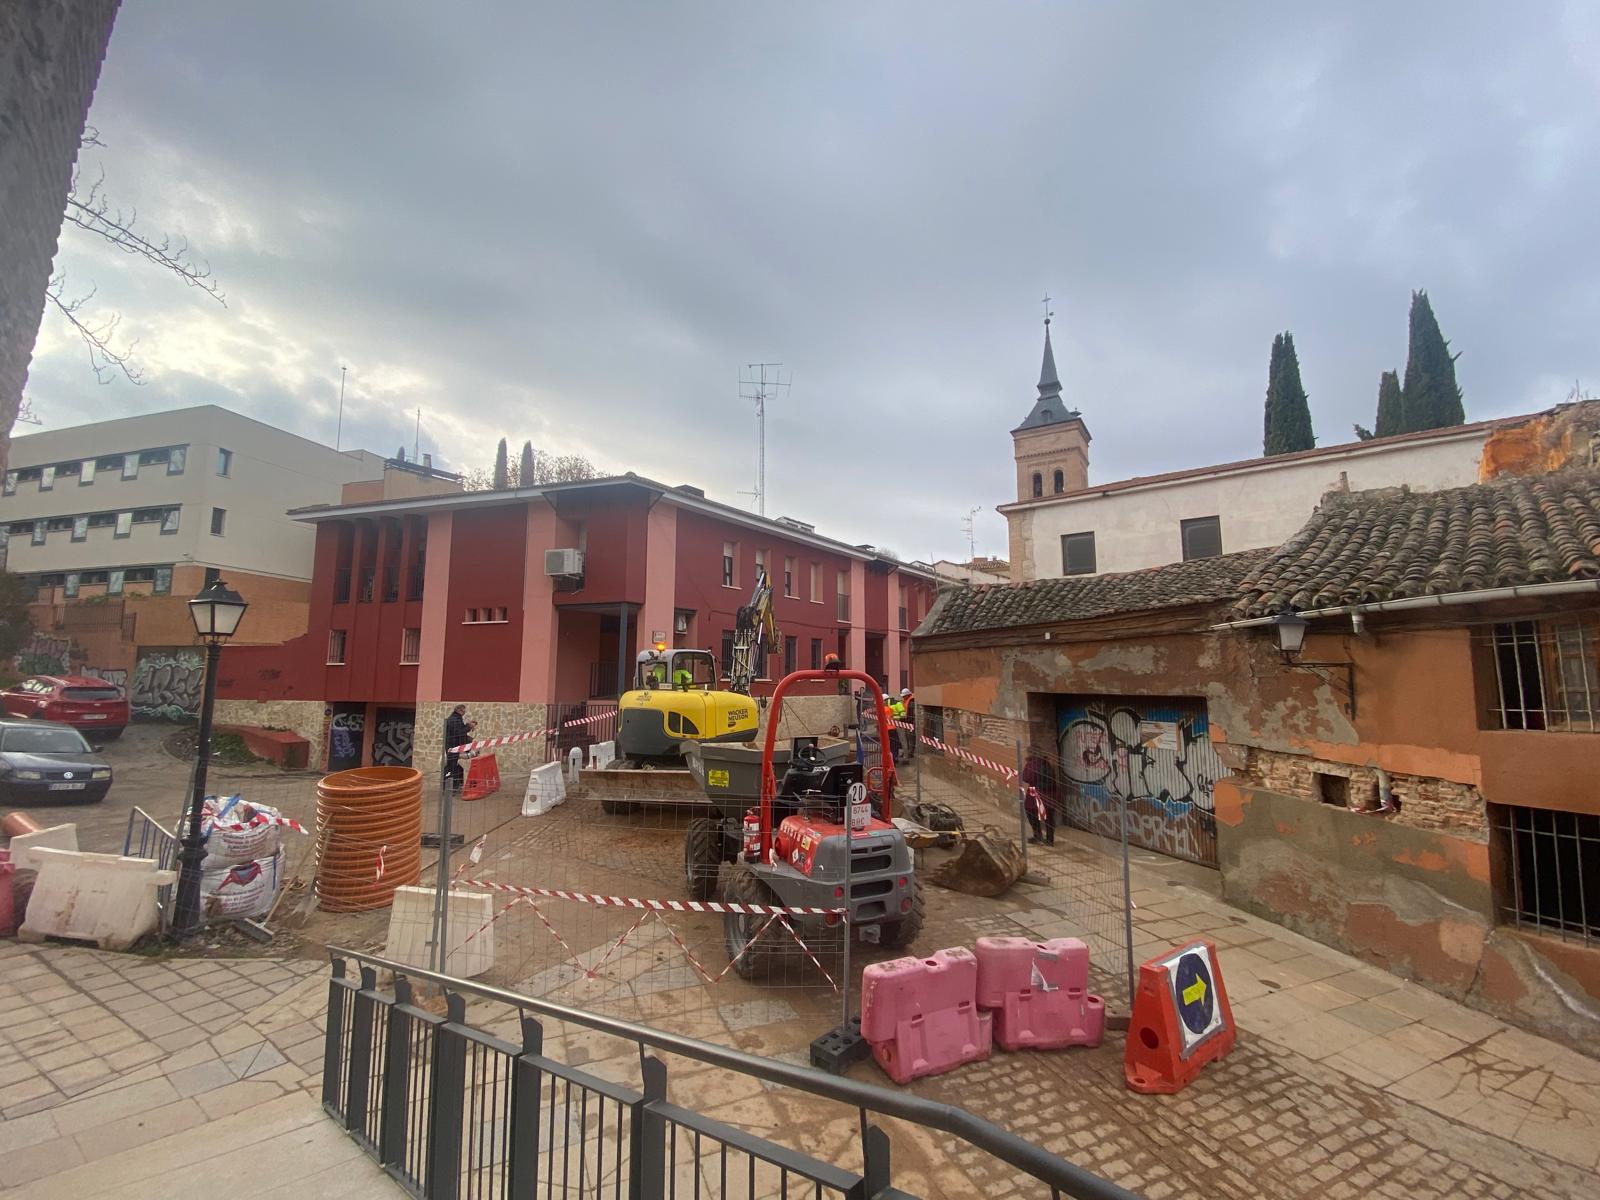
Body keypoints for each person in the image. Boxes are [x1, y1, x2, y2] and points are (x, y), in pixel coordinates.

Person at [1021, 748, 1060, 846]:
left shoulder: (1032, 764)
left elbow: (1026, 778)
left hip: (1035, 793)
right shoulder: (1046, 763)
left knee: (1031, 812)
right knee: (1049, 817)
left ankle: (1037, 835)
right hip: (1050, 794)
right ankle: (1050, 840)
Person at [443, 704, 476, 791]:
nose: (464, 712)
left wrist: (468, 725)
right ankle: (449, 788)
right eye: (463, 710)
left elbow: (459, 729)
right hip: (452, 748)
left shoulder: (456, 719)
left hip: (454, 747)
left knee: (456, 768)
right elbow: (459, 732)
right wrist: (468, 727)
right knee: (452, 768)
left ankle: (455, 786)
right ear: (459, 710)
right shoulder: (454, 720)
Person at [898, 687, 916, 760]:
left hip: (910, 722)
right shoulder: (905, 701)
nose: (903, 697)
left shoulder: (912, 702)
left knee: (910, 738)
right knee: (906, 738)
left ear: (908, 695)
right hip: (906, 722)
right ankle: (907, 751)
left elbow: (911, 713)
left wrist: (908, 721)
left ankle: (910, 752)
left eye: (904, 696)